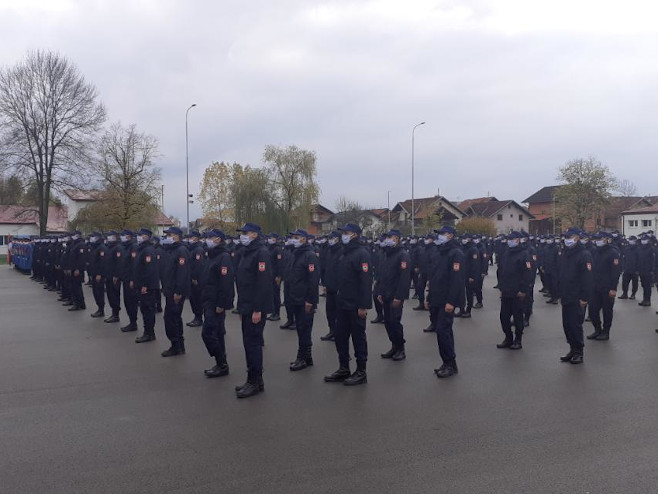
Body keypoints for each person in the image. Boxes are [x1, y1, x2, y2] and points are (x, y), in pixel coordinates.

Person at [324, 223, 372, 386]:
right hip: (342, 303)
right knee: (340, 337)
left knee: (358, 338)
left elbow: (366, 282)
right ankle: (344, 367)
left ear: (355, 235)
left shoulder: (362, 254)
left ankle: (361, 371)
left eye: (347, 232)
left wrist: (363, 306)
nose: (343, 235)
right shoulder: (344, 253)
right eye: (343, 232)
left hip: (356, 304)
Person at [234, 223, 273, 399]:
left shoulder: (261, 253)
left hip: (256, 307)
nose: (242, 236)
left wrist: (257, 309)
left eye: (245, 233)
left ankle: (256, 382)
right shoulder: (245, 252)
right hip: (246, 305)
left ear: (255, 235)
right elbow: (243, 282)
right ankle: (252, 379)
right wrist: (242, 308)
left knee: (254, 345)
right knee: (248, 344)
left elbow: (263, 284)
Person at [425, 226, 464, 378]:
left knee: (443, 331)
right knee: (442, 332)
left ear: (451, 236)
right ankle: (446, 361)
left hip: (447, 300)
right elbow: (434, 278)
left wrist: (451, 302)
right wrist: (429, 298)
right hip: (436, 297)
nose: (439, 237)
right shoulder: (438, 252)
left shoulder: (456, 253)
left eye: (442, 234)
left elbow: (457, 280)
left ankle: (451, 364)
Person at [199, 229, 235, 378]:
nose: (207, 240)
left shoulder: (223, 257)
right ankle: (222, 364)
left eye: (211, 237)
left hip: (216, 302)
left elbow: (225, 283)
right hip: (208, 299)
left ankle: (221, 362)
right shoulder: (211, 255)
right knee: (218, 333)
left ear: (219, 239)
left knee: (207, 333)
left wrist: (221, 303)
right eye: (207, 237)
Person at [286, 229, 320, 371]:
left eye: (296, 237)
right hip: (296, 297)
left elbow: (313, 281)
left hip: (305, 300)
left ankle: (302, 358)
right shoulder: (296, 254)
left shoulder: (310, 255)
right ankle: (307, 357)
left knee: (304, 329)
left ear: (304, 239)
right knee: (301, 329)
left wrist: (310, 301)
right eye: (292, 237)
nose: (293, 239)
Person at [557, 228, 593, 364]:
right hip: (566, 295)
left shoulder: (584, 254)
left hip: (577, 297)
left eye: (569, 237)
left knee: (575, 325)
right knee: (567, 325)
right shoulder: (565, 253)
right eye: (565, 237)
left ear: (577, 238)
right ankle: (572, 349)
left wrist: (584, 298)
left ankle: (579, 352)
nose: (566, 239)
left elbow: (587, 279)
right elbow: (562, 274)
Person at [377, 229, 411, 361]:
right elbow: (382, 275)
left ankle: (400, 348)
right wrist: (380, 291)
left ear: (397, 238)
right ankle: (394, 346)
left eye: (390, 237)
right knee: (388, 322)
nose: (388, 239)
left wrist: (399, 296)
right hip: (385, 293)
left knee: (395, 322)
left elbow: (404, 278)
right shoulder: (387, 253)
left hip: (395, 295)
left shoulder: (402, 255)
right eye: (386, 237)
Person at [496, 231, 533, 350]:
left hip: (517, 292)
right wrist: (501, 287)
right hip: (506, 290)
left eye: (511, 239)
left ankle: (518, 339)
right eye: (508, 239)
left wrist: (523, 290)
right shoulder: (507, 253)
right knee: (504, 317)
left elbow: (527, 274)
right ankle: (508, 337)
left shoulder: (524, 254)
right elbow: (503, 272)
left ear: (517, 240)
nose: (509, 241)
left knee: (517, 318)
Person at [159, 226, 191, 356]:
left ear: (177, 236)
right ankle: (178, 345)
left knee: (171, 318)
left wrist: (178, 292)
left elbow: (182, 273)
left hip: (175, 292)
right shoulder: (171, 250)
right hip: (169, 289)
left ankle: (176, 345)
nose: (167, 237)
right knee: (174, 318)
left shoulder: (181, 250)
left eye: (169, 235)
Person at [587, 232, 621, 341]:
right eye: (596, 239)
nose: (597, 241)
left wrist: (613, 288)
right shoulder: (594, 251)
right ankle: (597, 329)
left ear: (606, 239)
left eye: (599, 239)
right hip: (595, 286)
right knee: (592, 310)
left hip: (607, 287)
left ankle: (606, 332)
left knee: (607, 310)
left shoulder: (613, 252)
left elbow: (615, 272)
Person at [133, 228, 159, 344]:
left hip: (147, 286)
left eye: (140, 235)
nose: (138, 237)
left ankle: (149, 333)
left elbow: (150, 270)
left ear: (146, 236)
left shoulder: (148, 250)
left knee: (148, 309)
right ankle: (148, 332)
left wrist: (145, 285)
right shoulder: (142, 249)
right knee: (144, 309)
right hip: (142, 284)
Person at [320, 231, 342, 342]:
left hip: (338, 288)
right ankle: (332, 331)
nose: (330, 240)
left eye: (332, 238)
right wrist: (325, 284)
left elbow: (341, 272)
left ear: (338, 239)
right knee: (330, 311)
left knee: (338, 312)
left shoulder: (342, 251)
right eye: (329, 238)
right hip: (330, 287)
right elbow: (327, 269)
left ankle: (338, 333)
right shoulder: (330, 250)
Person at [119, 230, 140, 333]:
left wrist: (132, 279)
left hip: (131, 280)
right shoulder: (125, 247)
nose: (122, 237)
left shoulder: (133, 247)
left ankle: (133, 323)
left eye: (123, 235)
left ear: (129, 236)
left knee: (131, 302)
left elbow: (134, 265)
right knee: (127, 301)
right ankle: (131, 322)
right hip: (126, 278)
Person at [186, 230, 205, 327]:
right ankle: (196, 316)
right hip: (191, 277)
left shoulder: (198, 249)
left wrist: (195, 277)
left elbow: (199, 265)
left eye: (191, 237)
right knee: (193, 298)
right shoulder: (192, 248)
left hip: (196, 279)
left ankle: (199, 318)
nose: (189, 239)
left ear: (196, 238)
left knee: (197, 298)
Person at [88, 232, 108, 318]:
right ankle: (99, 309)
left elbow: (102, 263)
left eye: (93, 237)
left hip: (98, 274)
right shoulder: (95, 247)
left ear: (98, 237)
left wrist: (99, 274)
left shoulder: (101, 247)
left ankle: (101, 310)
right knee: (95, 292)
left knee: (99, 292)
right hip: (94, 273)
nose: (91, 238)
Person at [104, 231, 122, 323]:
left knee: (114, 295)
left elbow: (119, 263)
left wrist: (116, 275)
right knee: (110, 295)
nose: (109, 237)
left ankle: (116, 315)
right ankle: (113, 313)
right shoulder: (109, 247)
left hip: (114, 276)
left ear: (115, 237)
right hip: (108, 275)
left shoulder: (117, 247)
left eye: (110, 236)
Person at [266, 233, 283, 322]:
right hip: (270, 275)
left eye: (272, 238)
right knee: (272, 294)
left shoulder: (277, 249)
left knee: (276, 295)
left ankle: (277, 313)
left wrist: (279, 276)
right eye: (269, 238)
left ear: (276, 239)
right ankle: (273, 312)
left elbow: (280, 264)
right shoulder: (269, 248)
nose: (270, 239)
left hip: (276, 275)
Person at [68, 231, 87, 311]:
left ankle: (78, 304)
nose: (72, 236)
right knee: (74, 287)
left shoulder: (81, 244)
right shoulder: (75, 244)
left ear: (78, 235)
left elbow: (81, 259)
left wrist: (78, 269)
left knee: (76, 287)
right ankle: (81, 303)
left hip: (77, 270)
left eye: (74, 235)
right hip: (73, 268)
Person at [637, 233, 655, 307]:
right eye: (642, 240)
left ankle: (648, 300)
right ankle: (645, 299)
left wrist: (652, 270)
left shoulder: (651, 249)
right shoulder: (640, 248)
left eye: (644, 240)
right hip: (641, 270)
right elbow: (638, 259)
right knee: (644, 285)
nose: (643, 241)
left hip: (648, 270)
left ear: (648, 240)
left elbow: (653, 260)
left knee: (647, 286)